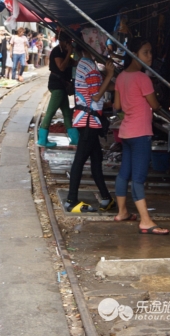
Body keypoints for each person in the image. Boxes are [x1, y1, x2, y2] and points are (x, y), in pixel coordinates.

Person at [113, 38, 166, 234]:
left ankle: (122, 212)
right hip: (140, 133)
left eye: (150, 52)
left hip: (126, 132)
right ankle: (145, 220)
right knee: (138, 177)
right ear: (135, 54)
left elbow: (117, 106)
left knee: (124, 173)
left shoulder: (121, 78)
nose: (150, 56)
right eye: (146, 52)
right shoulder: (143, 78)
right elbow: (155, 105)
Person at [64, 43, 116, 213]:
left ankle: (106, 198)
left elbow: (98, 87)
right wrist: (110, 75)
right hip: (88, 120)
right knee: (80, 159)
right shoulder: (89, 65)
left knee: (96, 159)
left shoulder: (85, 63)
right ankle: (71, 200)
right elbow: (96, 96)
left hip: (87, 119)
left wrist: (115, 81)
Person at [38, 31, 75, 148]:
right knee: (50, 112)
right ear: (63, 41)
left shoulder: (64, 51)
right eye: (68, 42)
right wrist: (69, 53)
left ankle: (75, 138)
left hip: (62, 86)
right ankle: (42, 139)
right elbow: (61, 67)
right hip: (57, 86)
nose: (69, 44)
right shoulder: (57, 51)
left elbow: (73, 63)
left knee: (66, 113)